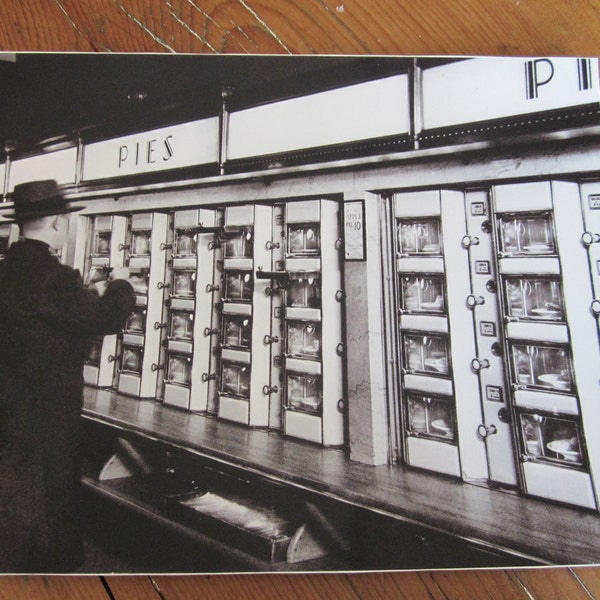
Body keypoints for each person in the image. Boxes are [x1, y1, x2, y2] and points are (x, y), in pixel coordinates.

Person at [0, 179, 135, 572]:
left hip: (10, 408)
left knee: (16, 499)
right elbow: (106, 318)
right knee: (49, 504)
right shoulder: (52, 276)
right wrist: (121, 284)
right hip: (44, 415)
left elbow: (46, 319)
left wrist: (89, 291)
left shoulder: (8, 270)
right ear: (58, 223)